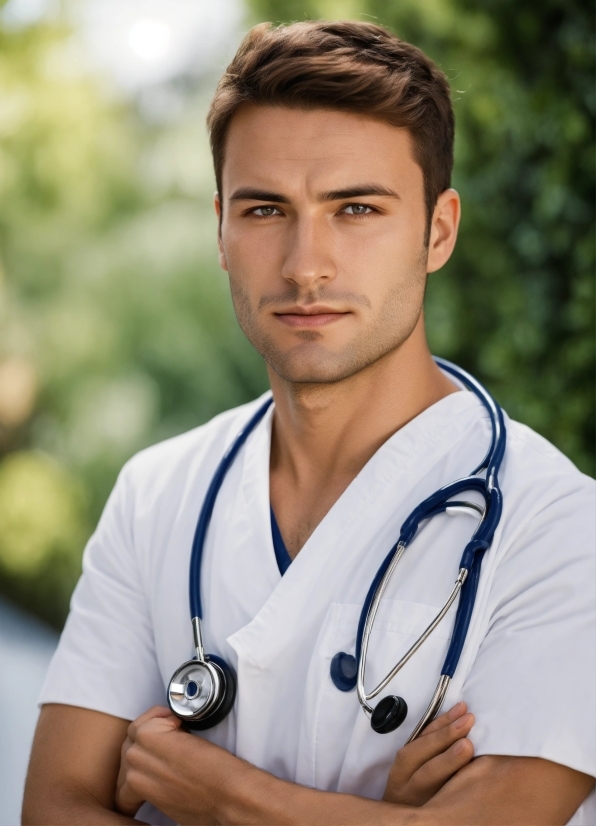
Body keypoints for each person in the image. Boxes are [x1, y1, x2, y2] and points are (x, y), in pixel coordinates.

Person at [22, 20, 595, 826]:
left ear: (438, 230)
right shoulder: (156, 495)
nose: (305, 264)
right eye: (264, 211)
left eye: (356, 208)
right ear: (220, 227)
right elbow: (53, 807)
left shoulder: (557, 525)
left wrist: (214, 793)